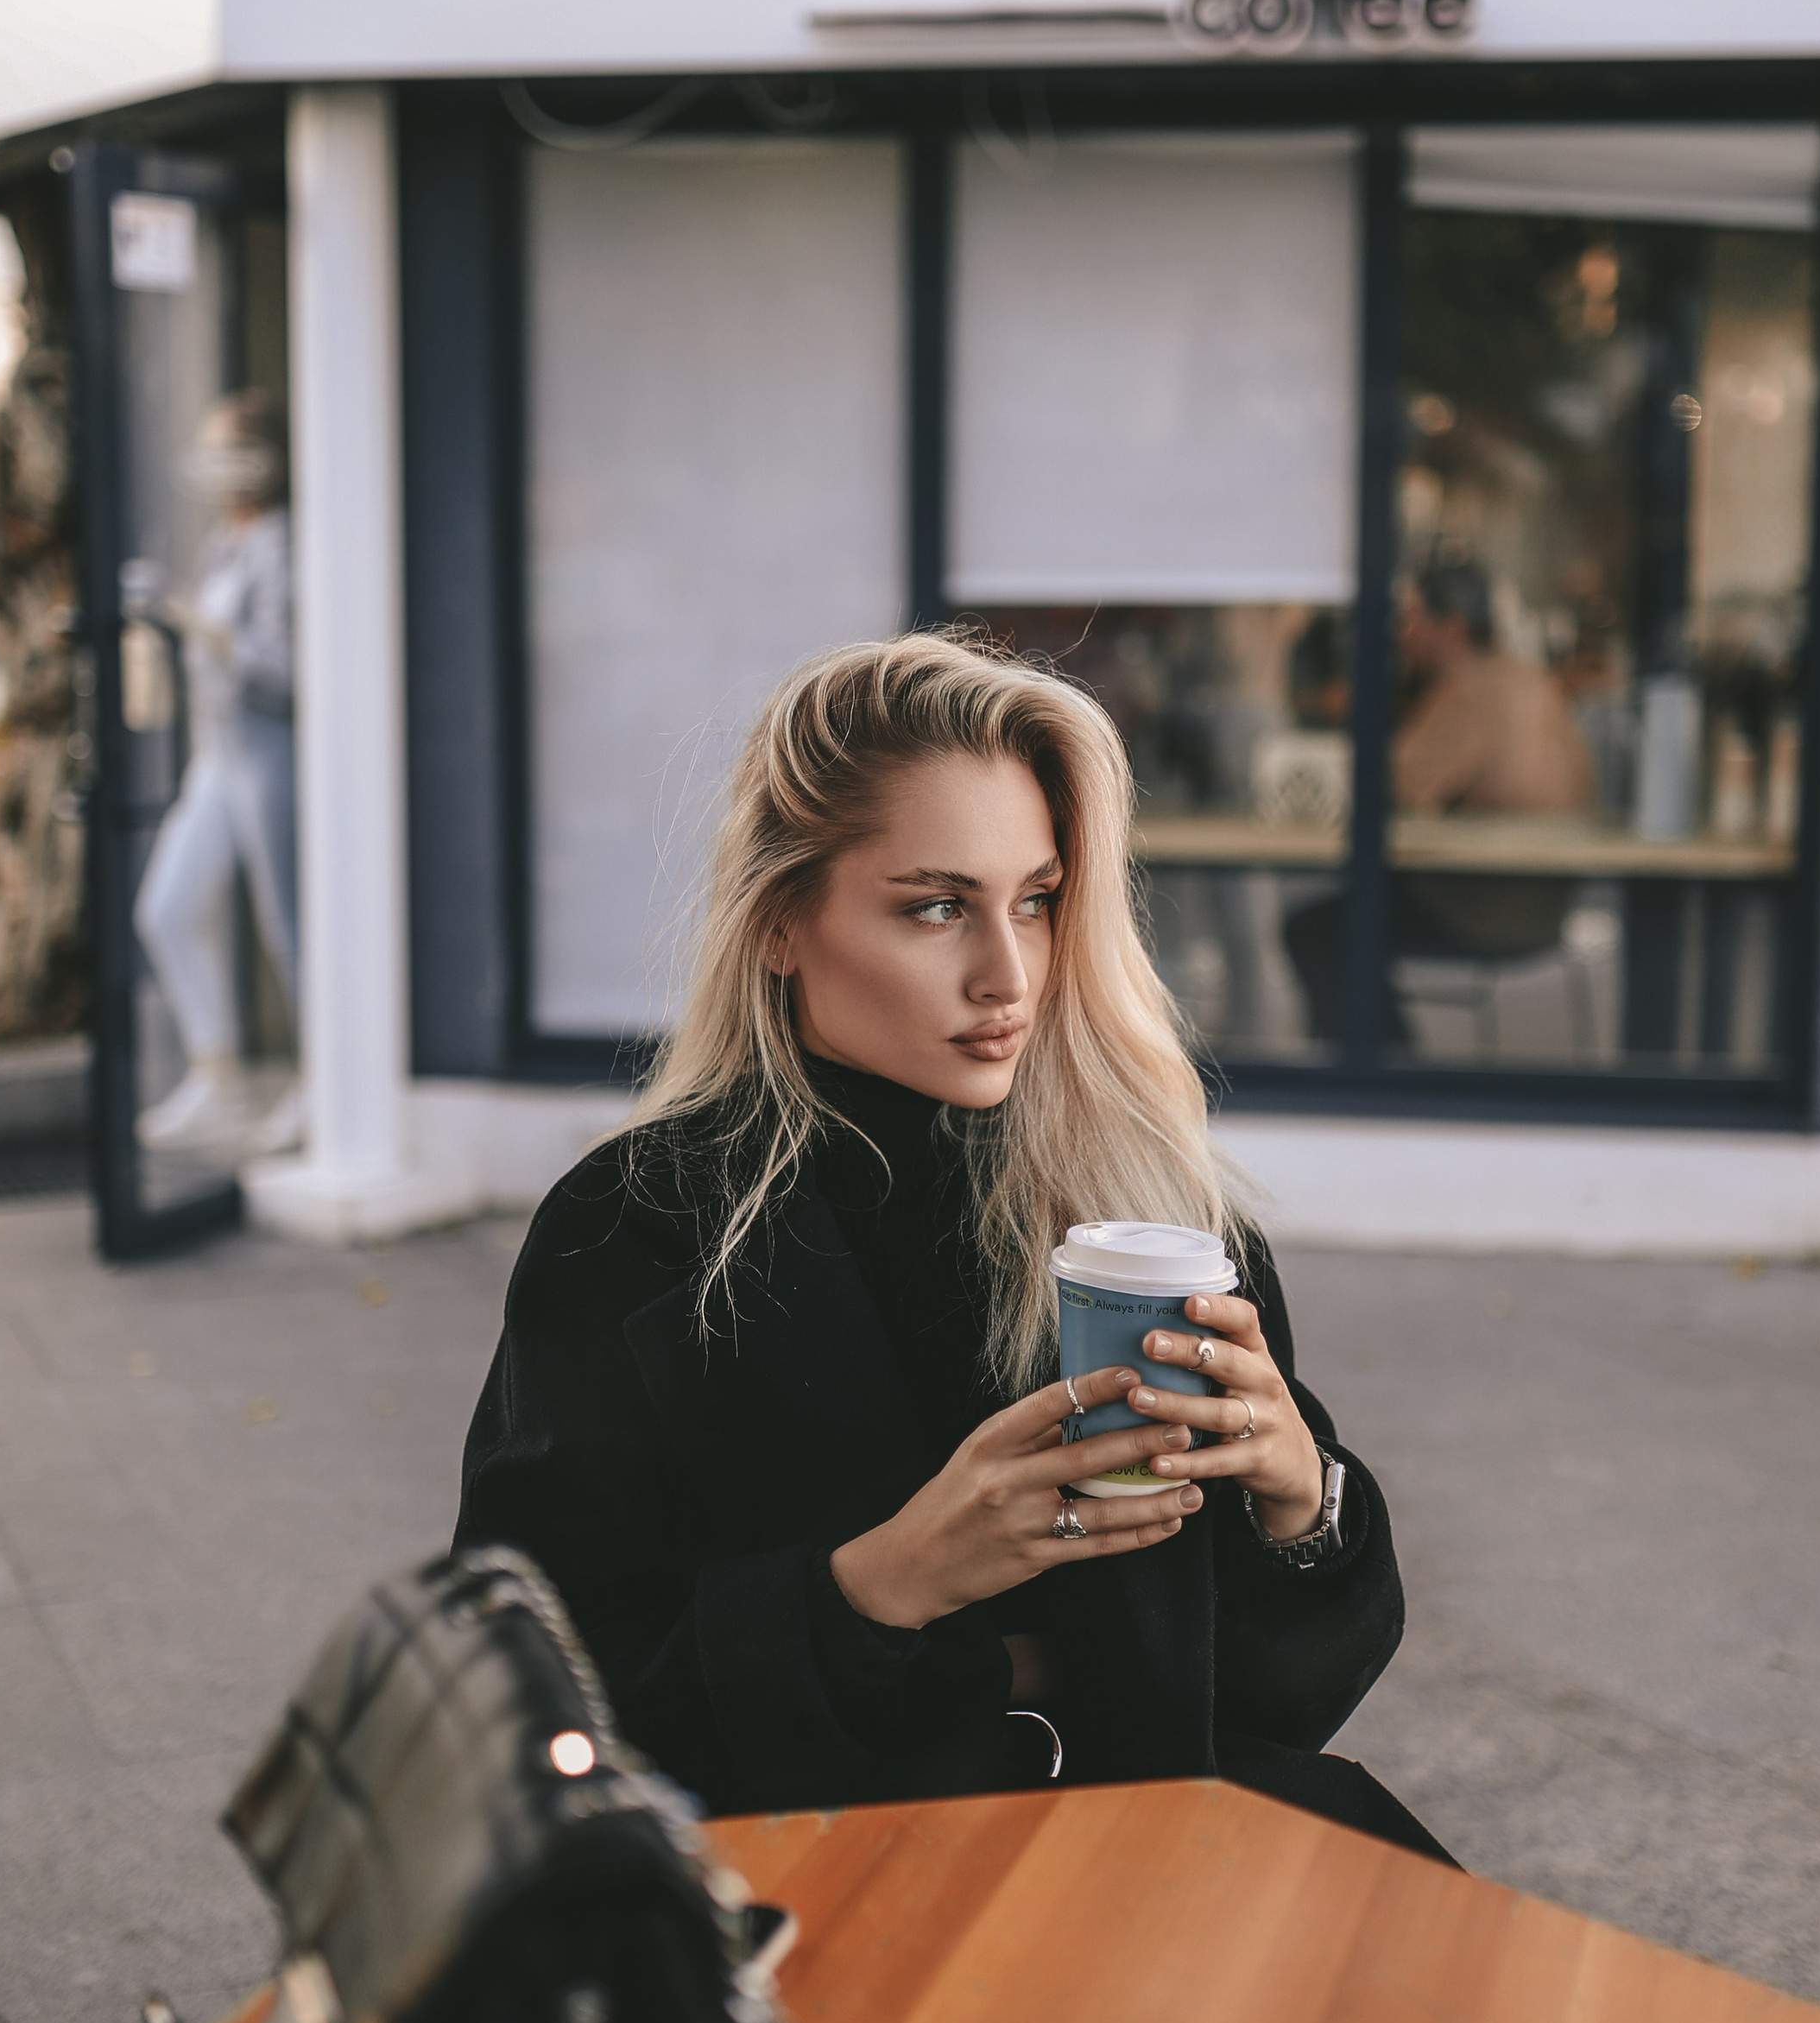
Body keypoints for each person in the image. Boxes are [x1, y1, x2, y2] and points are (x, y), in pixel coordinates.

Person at [458, 634, 1448, 1861]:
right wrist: (886, 1583)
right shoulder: (641, 1227)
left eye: (1036, 900)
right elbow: (531, 1711)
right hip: (810, 1889)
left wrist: (1305, 1503)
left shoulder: (1143, 1203)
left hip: (1148, 1858)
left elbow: (1272, 1699)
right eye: (935, 907)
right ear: (778, 922)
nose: (1008, 973)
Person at [1285, 556, 1594, 1049]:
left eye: (1412, 621)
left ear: (1449, 627)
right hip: (1545, 906)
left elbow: (1392, 786)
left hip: (1487, 909)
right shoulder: (1531, 681)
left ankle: (1384, 1065)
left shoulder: (1469, 694)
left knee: (1315, 928)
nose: (1403, 636)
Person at [131, 392, 300, 1154]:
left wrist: (202, 626)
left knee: (291, 926)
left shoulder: (283, 542)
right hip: (215, 754)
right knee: (165, 909)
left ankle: (327, 1083)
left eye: (233, 448)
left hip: (271, 751)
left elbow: (289, 667)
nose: (218, 465)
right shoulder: (222, 544)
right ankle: (218, 1075)